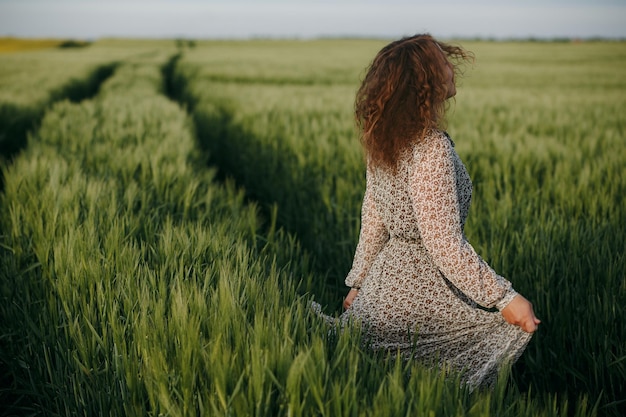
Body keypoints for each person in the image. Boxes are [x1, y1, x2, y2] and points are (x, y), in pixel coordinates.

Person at [337, 34, 540, 389]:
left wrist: (358, 283)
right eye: (442, 61)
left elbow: (374, 222)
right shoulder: (432, 148)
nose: (450, 66)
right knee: (442, 387)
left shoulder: (383, 140)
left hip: (382, 292)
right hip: (422, 297)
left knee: (384, 385)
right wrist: (505, 298)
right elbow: (443, 244)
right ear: (425, 80)